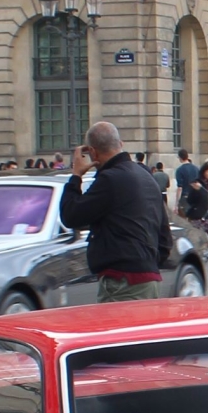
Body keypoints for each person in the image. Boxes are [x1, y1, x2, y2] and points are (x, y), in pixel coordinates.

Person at [61, 121, 167, 301]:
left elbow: (71, 215)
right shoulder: (146, 176)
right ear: (121, 144)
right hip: (149, 279)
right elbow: (164, 238)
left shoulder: (110, 179)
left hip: (122, 282)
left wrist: (76, 176)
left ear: (92, 152)